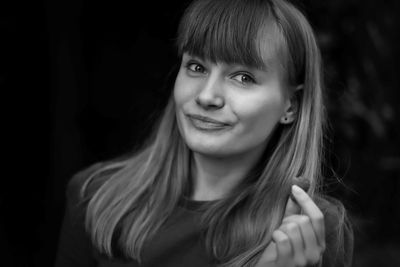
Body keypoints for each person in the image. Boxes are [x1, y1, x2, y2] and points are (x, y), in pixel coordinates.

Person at [54, 0, 354, 266]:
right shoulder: (94, 195)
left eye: (243, 77)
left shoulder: (308, 229)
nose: (207, 96)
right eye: (196, 67)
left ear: (291, 105)